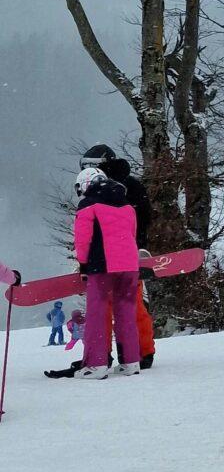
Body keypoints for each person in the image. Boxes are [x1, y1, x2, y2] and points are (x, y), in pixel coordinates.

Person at [82, 144, 157, 369]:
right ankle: (139, 354)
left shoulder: (97, 192)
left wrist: (86, 261)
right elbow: (142, 217)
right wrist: (136, 245)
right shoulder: (127, 187)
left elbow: (88, 230)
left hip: (103, 260)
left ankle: (99, 358)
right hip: (128, 257)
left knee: (102, 308)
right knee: (130, 304)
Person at [73, 164, 141, 378]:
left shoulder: (88, 205)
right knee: (127, 314)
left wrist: (83, 264)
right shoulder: (127, 204)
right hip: (129, 265)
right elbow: (132, 234)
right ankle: (131, 362)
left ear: (85, 184)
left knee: (97, 314)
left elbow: (83, 240)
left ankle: (96, 365)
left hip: (101, 265)